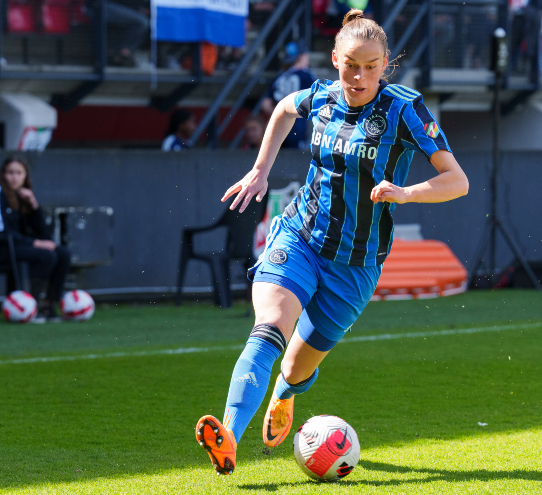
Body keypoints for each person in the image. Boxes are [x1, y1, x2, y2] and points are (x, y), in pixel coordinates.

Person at [194, 9, 469, 475]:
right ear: (336, 59)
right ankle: (230, 439)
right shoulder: (320, 96)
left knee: (296, 368)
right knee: (270, 326)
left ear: (385, 65)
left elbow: (457, 181)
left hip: (356, 264)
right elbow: (283, 109)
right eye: (351, 65)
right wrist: (260, 170)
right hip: (300, 237)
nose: (359, 77)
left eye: (371, 67)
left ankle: (285, 393)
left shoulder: (405, 109)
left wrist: (406, 193)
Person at [0, 156, 71, 323]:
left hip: (22, 247)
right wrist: (35, 243)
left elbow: (43, 233)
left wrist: (34, 205)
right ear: (3, 175)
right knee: (46, 256)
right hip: (4, 248)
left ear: (25, 176)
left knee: (63, 254)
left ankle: (49, 305)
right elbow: (3, 234)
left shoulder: (24, 197)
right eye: (10, 172)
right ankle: (28, 307)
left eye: (19, 173)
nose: (14, 177)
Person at [260, 42, 316, 149]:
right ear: (302, 56)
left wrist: (282, 113)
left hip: (277, 126)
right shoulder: (306, 75)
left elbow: (265, 104)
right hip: (297, 127)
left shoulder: (279, 77)